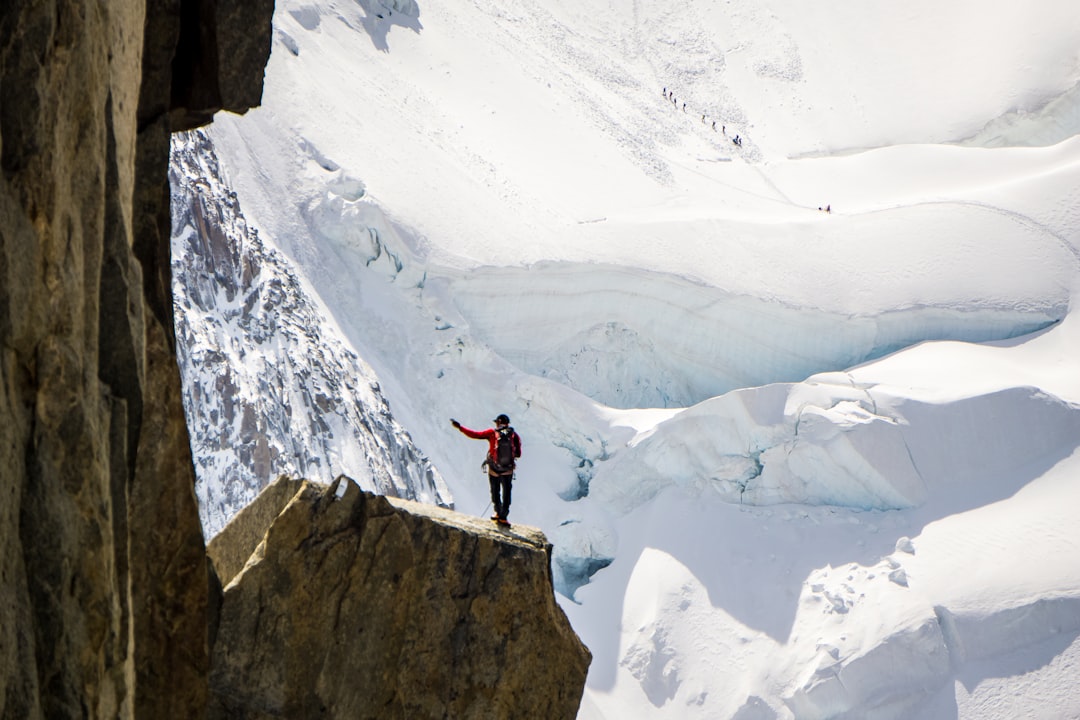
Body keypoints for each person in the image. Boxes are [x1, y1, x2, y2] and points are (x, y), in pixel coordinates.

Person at [451, 414, 522, 524]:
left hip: (494, 469)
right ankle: (504, 517)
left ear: (498, 422)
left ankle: (497, 512)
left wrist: (460, 427)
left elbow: (475, 434)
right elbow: (518, 454)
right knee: (507, 493)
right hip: (507, 470)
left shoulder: (492, 433)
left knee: (495, 491)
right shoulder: (514, 435)